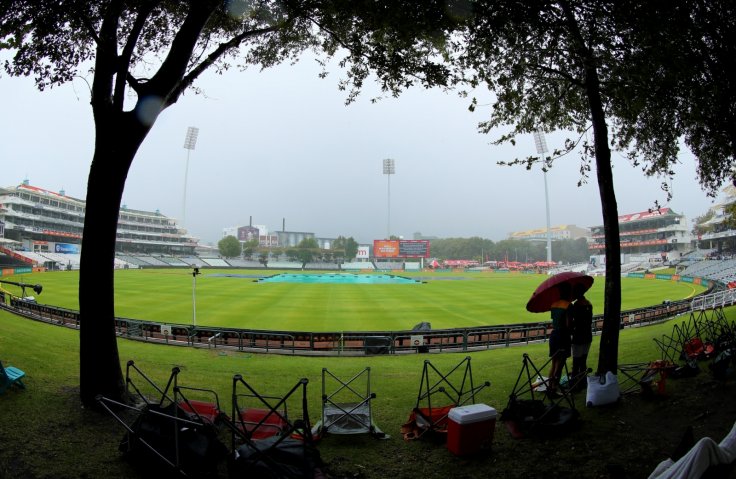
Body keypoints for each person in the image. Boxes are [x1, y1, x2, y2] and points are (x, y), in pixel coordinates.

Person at [547, 282, 573, 396]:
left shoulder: (554, 304)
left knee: (553, 363)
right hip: (563, 335)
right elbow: (568, 324)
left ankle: (550, 387)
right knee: (560, 363)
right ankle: (554, 389)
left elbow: (554, 321)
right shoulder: (568, 305)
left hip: (554, 335)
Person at [571, 282, 593, 384]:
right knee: (583, 360)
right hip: (588, 335)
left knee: (576, 361)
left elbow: (575, 321)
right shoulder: (589, 304)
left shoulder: (576, 305)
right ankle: (583, 380)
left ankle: (574, 382)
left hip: (578, 336)